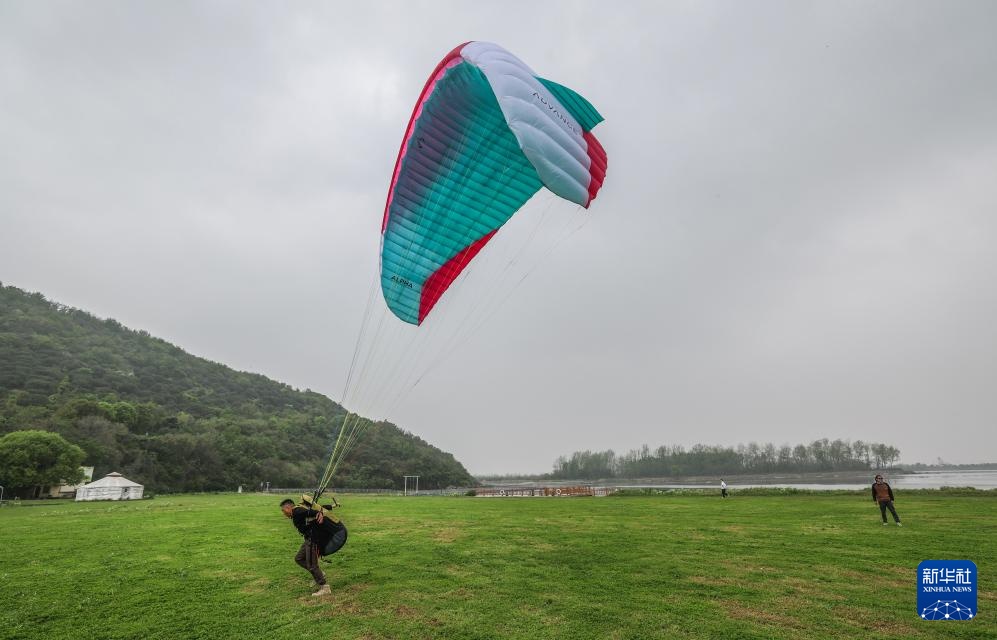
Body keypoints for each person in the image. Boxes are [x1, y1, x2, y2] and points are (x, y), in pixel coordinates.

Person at [281, 498, 332, 595]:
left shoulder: (297, 511)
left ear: (288, 508)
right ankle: (320, 574)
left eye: (283, 511)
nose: (284, 514)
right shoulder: (298, 511)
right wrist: (330, 506)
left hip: (313, 539)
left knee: (312, 565)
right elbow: (311, 511)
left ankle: (325, 587)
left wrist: (319, 513)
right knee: (299, 558)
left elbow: (313, 511)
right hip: (308, 539)